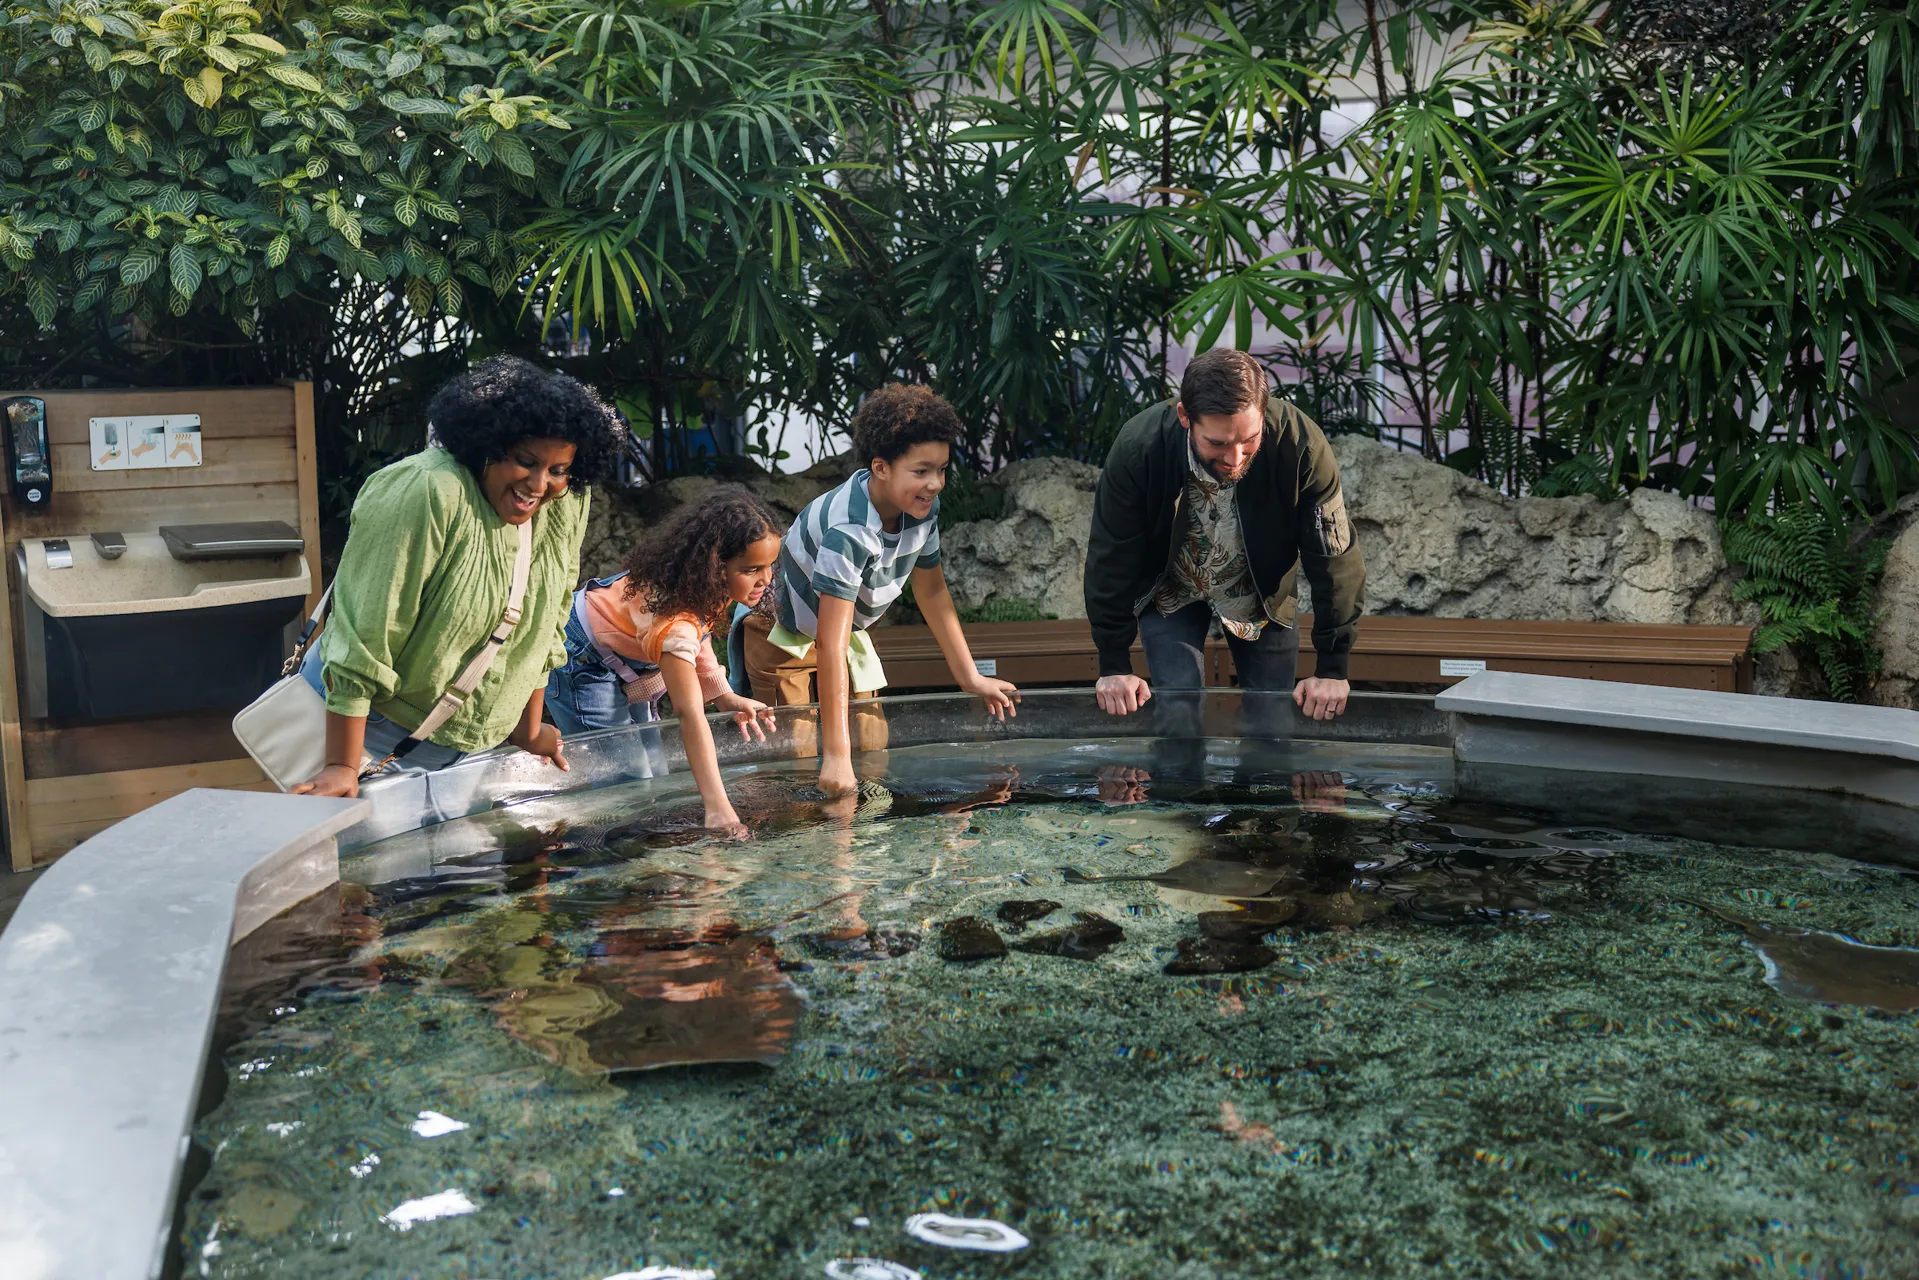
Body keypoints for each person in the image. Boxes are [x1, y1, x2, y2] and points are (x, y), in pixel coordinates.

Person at [293, 356, 622, 798]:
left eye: (559, 470)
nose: (540, 484)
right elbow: (366, 633)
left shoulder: (566, 501)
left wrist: (527, 728)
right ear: (487, 445)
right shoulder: (427, 490)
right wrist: (340, 765)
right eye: (525, 461)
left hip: (460, 755)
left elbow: (546, 620)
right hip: (357, 735)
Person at [744, 383, 1019, 798]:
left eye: (942, 469)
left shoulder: (921, 510)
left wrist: (970, 677)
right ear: (881, 468)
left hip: (844, 632)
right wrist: (835, 758)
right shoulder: (850, 529)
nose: (935, 484)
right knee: (797, 758)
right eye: (921, 471)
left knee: (871, 745)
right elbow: (828, 640)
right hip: (784, 635)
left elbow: (932, 592)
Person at [1084, 347, 1365, 721]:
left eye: (1248, 440)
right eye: (1217, 443)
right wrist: (1113, 662)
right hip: (1172, 589)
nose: (1235, 458)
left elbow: (1334, 556)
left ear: (1263, 414)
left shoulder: (1302, 446)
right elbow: (1112, 553)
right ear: (1186, 416)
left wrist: (1332, 667)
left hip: (1261, 593)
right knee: (1177, 716)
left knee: (1272, 725)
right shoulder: (1139, 446)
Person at [545, 488, 782, 834]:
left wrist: (724, 695)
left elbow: (698, 638)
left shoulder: (701, 589)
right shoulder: (674, 623)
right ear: (715, 568)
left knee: (654, 769)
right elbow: (689, 714)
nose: (766, 578)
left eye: (770, 565)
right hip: (581, 661)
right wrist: (718, 807)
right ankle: (605, 859)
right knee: (626, 780)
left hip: (621, 657)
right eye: (752, 569)